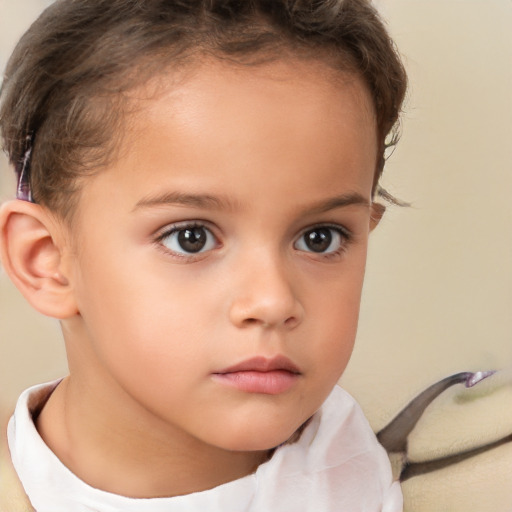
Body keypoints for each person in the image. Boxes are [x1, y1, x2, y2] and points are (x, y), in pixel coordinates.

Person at [0, 0, 407, 510]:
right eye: (190, 237)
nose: (272, 300)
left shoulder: (428, 481)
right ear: (47, 261)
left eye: (319, 238)